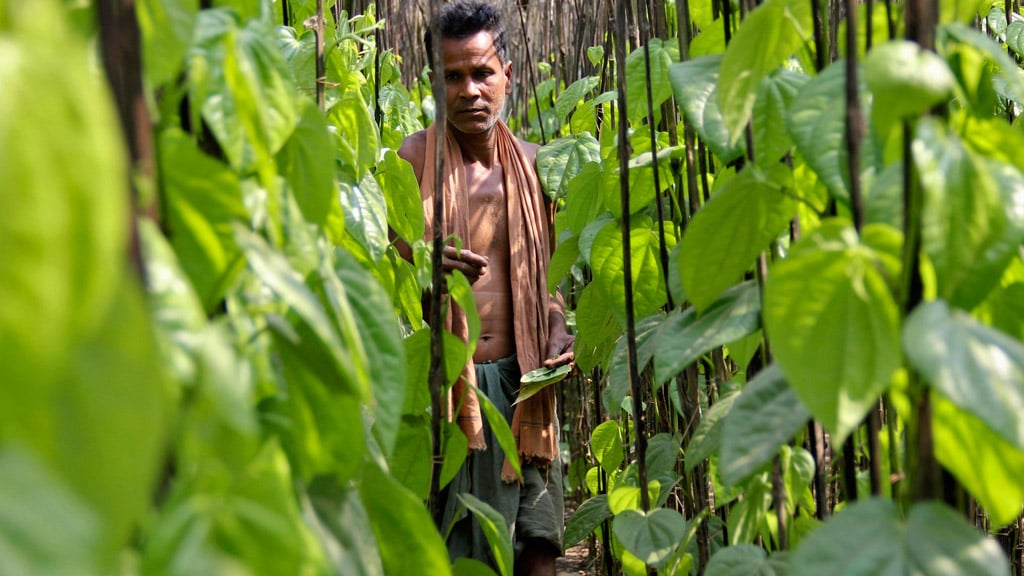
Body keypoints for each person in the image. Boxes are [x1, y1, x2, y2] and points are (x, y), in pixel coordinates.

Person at [396, 2, 574, 575]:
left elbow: (546, 282)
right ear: (434, 81)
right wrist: (427, 268)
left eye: (482, 73)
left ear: (508, 76)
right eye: (453, 76)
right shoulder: (414, 160)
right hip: (450, 391)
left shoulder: (535, 166)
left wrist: (555, 326)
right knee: (455, 552)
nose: (469, 91)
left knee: (539, 552)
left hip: (524, 388)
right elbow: (390, 277)